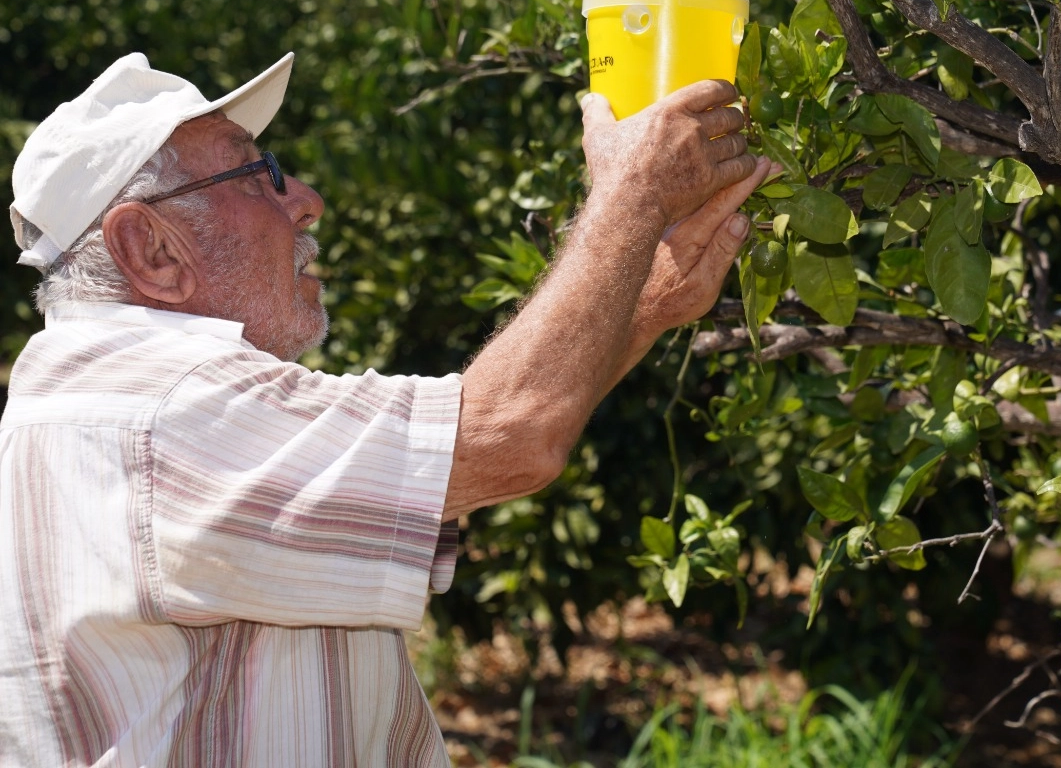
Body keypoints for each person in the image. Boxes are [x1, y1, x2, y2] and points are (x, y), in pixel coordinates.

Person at [0, 51, 767, 766]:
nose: (305, 200)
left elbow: (470, 456)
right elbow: (507, 434)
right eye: (257, 173)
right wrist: (631, 193)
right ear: (152, 250)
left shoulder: (100, 398)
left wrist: (645, 305)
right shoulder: (167, 413)